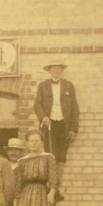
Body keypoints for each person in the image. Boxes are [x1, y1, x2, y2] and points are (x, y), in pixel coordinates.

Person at [33, 61, 79, 195]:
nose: (57, 71)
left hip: (64, 125)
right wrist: (43, 117)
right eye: (54, 69)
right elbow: (37, 105)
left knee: (61, 156)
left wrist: (73, 129)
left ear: (62, 71)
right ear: (49, 71)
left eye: (59, 69)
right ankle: (49, 185)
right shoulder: (43, 86)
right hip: (50, 124)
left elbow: (75, 108)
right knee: (50, 154)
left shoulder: (69, 86)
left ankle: (56, 188)